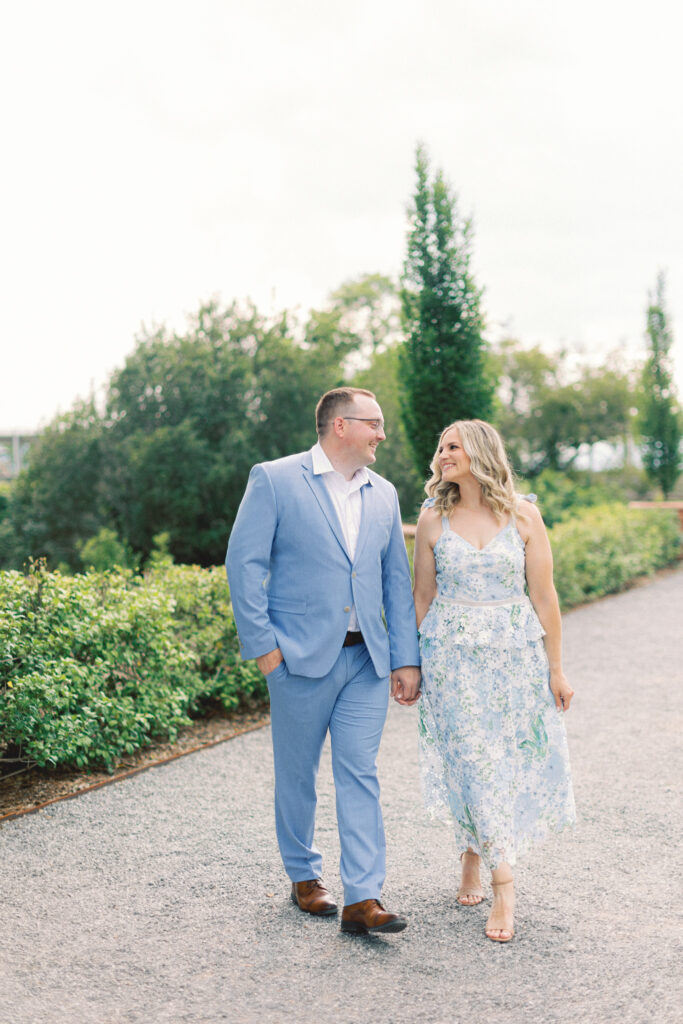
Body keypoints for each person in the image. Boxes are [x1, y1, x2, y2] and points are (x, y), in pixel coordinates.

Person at [226, 387, 421, 935]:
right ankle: (303, 876)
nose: (383, 434)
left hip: (367, 663)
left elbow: (394, 581)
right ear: (341, 426)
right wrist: (265, 650)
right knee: (297, 775)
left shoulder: (384, 492)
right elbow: (243, 564)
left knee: (360, 771)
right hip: (297, 661)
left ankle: (363, 897)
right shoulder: (274, 478)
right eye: (374, 423)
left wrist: (406, 658)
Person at [412, 419, 575, 943]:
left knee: (499, 761)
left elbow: (545, 598)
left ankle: (472, 852)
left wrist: (556, 668)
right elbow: (421, 599)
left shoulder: (524, 516)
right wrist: (412, 665)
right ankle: (504, 885)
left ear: (480, 452)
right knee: (472, 759)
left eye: (452, 447)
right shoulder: (432, 520)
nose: (441, 456)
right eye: (440, 449)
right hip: (451, 661)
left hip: (515, 659)